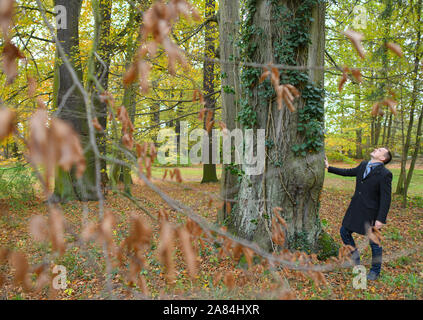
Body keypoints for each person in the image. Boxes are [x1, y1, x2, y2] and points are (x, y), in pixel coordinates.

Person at [325, 147, 393, 281]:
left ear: (383, 158)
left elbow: (386, 198)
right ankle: (357, 263)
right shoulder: (363, 165)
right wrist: (329, 167)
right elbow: (348, 172)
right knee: (344, 231)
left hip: (371, 213)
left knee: (374, 242)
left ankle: (375, 271)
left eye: (379, 150)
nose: (375, 149)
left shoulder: (385, 174)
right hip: (356, 208)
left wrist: (381, 219)